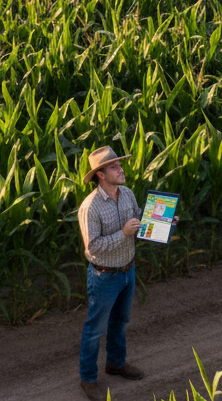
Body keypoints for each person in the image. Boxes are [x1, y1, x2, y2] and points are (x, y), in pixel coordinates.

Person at [76, 146, 144, 400]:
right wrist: (123, 234)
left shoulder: (126, 193)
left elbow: (138, 219)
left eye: (119, 164)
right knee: (95, 329)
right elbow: (92, 246)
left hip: (128, 269)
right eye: (114, 167)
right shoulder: (90, 207)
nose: (121, 169)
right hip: (104, 276)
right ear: (101, 175)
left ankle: (115, 363)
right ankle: (88, 378)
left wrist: (164, 221)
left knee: (120, 322)